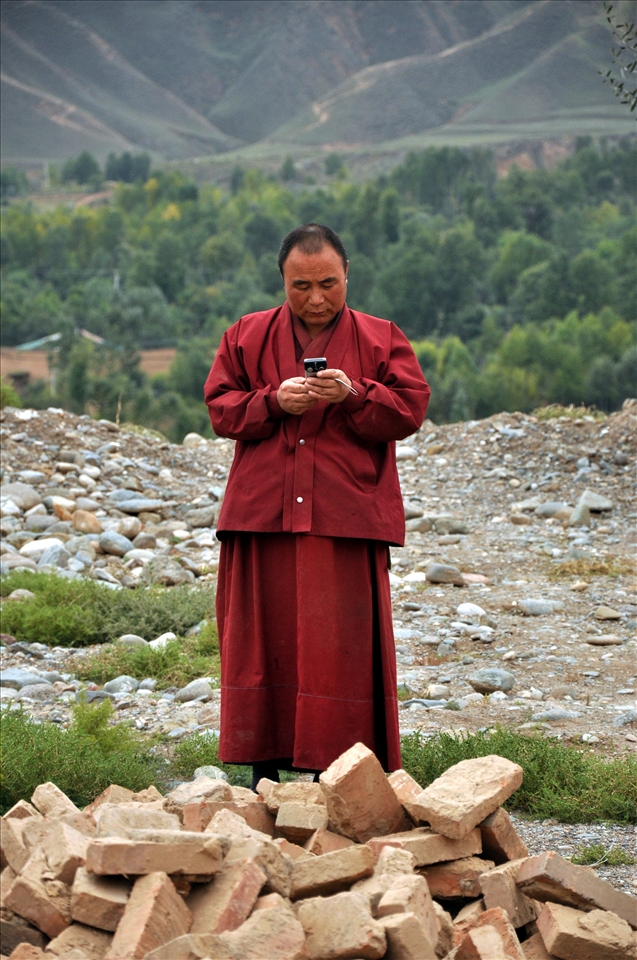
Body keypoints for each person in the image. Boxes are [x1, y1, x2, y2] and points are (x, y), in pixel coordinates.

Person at [204, 223, 430, 789]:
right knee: (264, 636)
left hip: (345, 515)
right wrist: (273, 401)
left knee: (339, 643)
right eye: (300, 285)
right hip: (264, 515)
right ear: (282, 279)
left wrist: (357, 395)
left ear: (347, 274)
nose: (315, 298)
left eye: (328, 283)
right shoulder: (246, 336)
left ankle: (337, 772)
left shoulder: (381, 339)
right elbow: (221, 409)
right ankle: (262, 772)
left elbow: (408, 412)